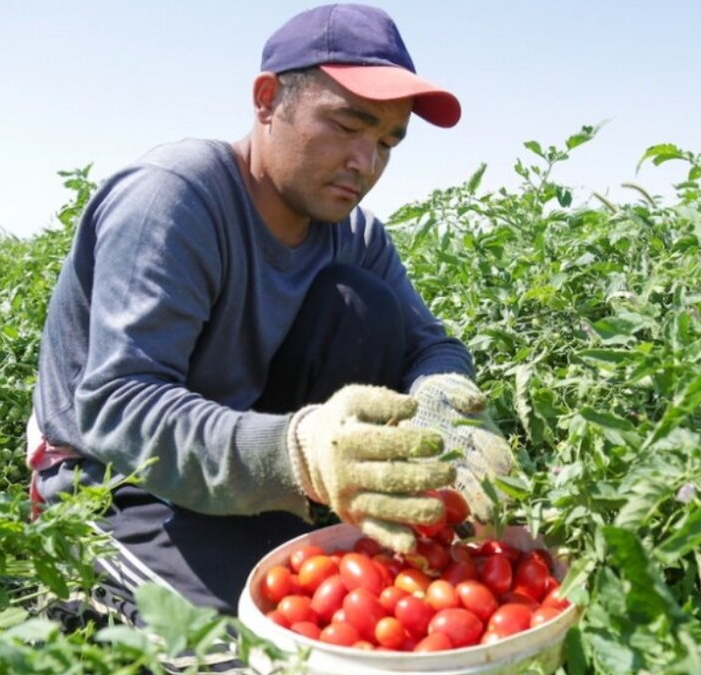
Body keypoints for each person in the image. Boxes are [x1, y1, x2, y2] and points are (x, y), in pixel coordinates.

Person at [26, 2, 513, 628]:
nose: (366, 163)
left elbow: (430, 344)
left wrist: (447, 400)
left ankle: (274, 513)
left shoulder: (354, 234)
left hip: (250, 457)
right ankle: (85, 575)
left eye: (387, 142)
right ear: (266, 101)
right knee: (245, 649)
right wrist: (301, 453)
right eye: (346, 125)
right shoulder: (173, 197)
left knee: (364, 303)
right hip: (115, 477)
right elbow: (117, 407)